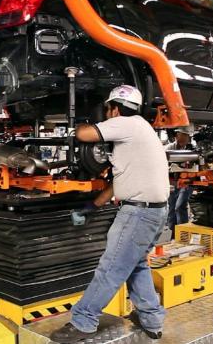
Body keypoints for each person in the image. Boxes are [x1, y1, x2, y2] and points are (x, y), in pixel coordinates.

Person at [50, 85, 170, 343]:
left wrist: (74, 125)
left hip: (138, 214)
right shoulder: (141, 129)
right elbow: (119, 182)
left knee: (111, 268)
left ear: (115, 109)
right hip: (154, 211)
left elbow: (83, 134)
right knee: (136, 264)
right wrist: (92, 206)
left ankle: (83, 321)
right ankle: (151, 319)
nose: (107, 115)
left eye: (107, 110)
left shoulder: (126, 124)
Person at [165, 124, 196, 234]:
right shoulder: (169, 148)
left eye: (187, 136)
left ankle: (183, 233)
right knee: (172, 208)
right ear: (177, 135)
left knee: (179, 207)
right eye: (183, 135)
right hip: (172, 182)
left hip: (186, 183)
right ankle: (172, 234)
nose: (185, 138)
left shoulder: (192, 150)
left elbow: (195, 167)